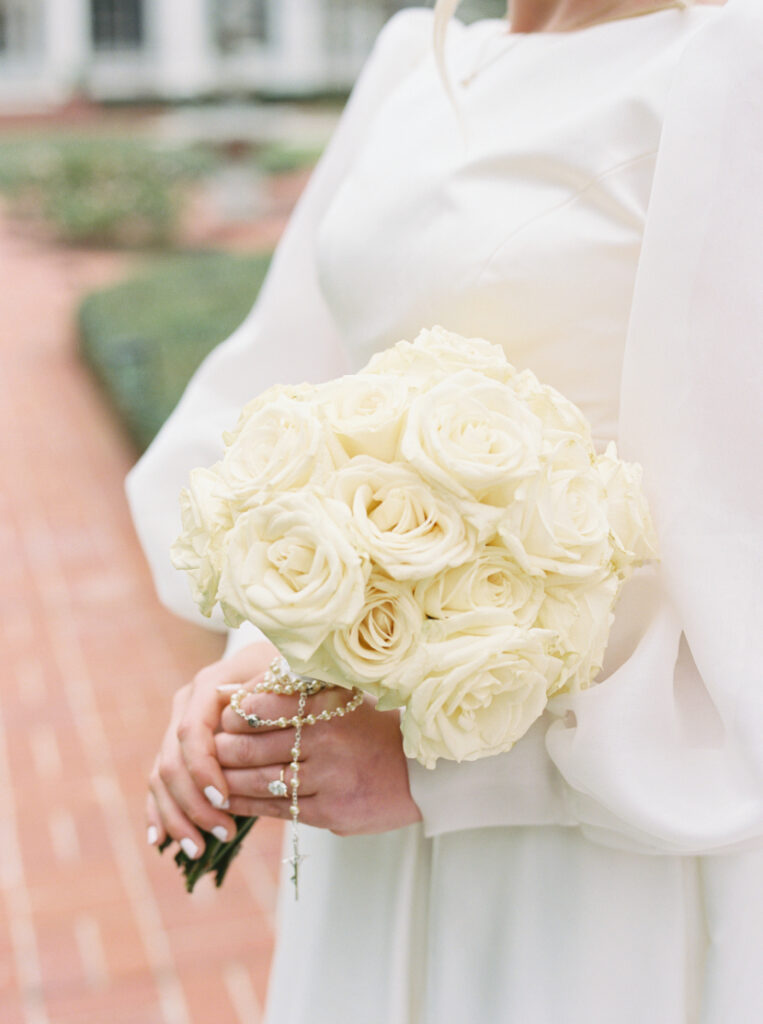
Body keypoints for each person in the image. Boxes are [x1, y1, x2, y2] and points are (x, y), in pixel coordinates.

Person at [127, 1, 763, 1020]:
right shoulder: (408, 60)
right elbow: (299, 379)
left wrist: (450, 780)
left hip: (595, 856)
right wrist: (264, 646)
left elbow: (742, 548)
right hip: (362, 826)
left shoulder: (731, 64)